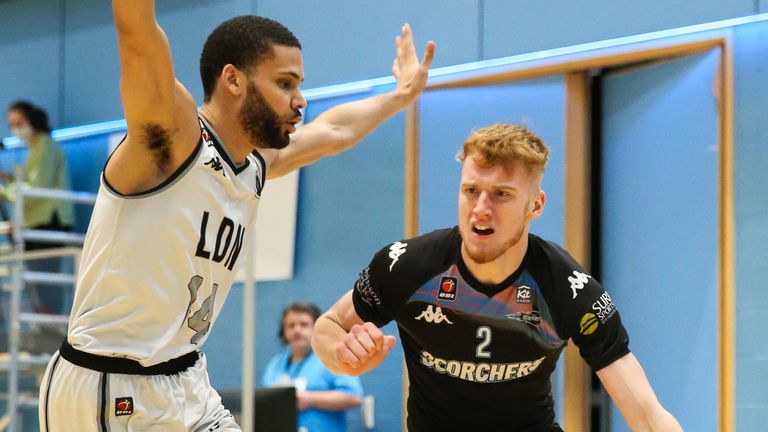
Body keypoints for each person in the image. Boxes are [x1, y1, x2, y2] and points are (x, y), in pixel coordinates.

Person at [38, 0, 435, 430]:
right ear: (232, 79)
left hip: (186, 377)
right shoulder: (171, 138)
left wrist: (400, 96)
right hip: (110, 383)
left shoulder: (253, 165)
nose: (300, 101)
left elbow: (334, 131)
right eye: (285, 84)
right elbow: (137, 34)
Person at [312, 124, 683, 431]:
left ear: (535, 205)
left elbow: (648, 416)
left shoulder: (567, 288)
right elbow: (327, 327)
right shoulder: (407, 266)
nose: (480, 209)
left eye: (501, 195)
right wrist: (342, 357)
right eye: (471, 191)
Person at [4, 101, 75, 317]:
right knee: (37, 280)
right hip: (35, 223)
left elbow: (36, 188)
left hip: (48, 221)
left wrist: (5, 190)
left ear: (32, 120)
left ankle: (50, 328)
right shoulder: (35, 148)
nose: (16, 129)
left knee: (45, 281)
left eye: (19, 122)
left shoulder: (44, 144)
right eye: (12, 124)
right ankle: (44, 327)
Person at [262, 302, 363, 432]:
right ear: (284, 331)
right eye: (291, 325)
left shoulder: (331, 358)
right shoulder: (275, 365)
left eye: (303, 324)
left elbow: (354, 397)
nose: (297, 330)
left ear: (316, 328)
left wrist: (309, 399)